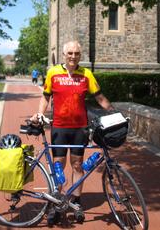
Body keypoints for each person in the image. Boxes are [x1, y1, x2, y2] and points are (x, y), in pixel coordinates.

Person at [30, 40, 114, 226]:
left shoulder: (86, 74)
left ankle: (76, 202)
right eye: (70, 53)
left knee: (77, 165)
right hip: (59, 127)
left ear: (80, 56)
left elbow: (99, 97)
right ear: (64, 54)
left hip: (80, 128)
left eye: (77, 53)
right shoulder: (53, 73)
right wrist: (39, 114)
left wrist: (113, 112)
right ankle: (56, 203)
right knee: (58, 166)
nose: (73, 56)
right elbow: (46, 98)